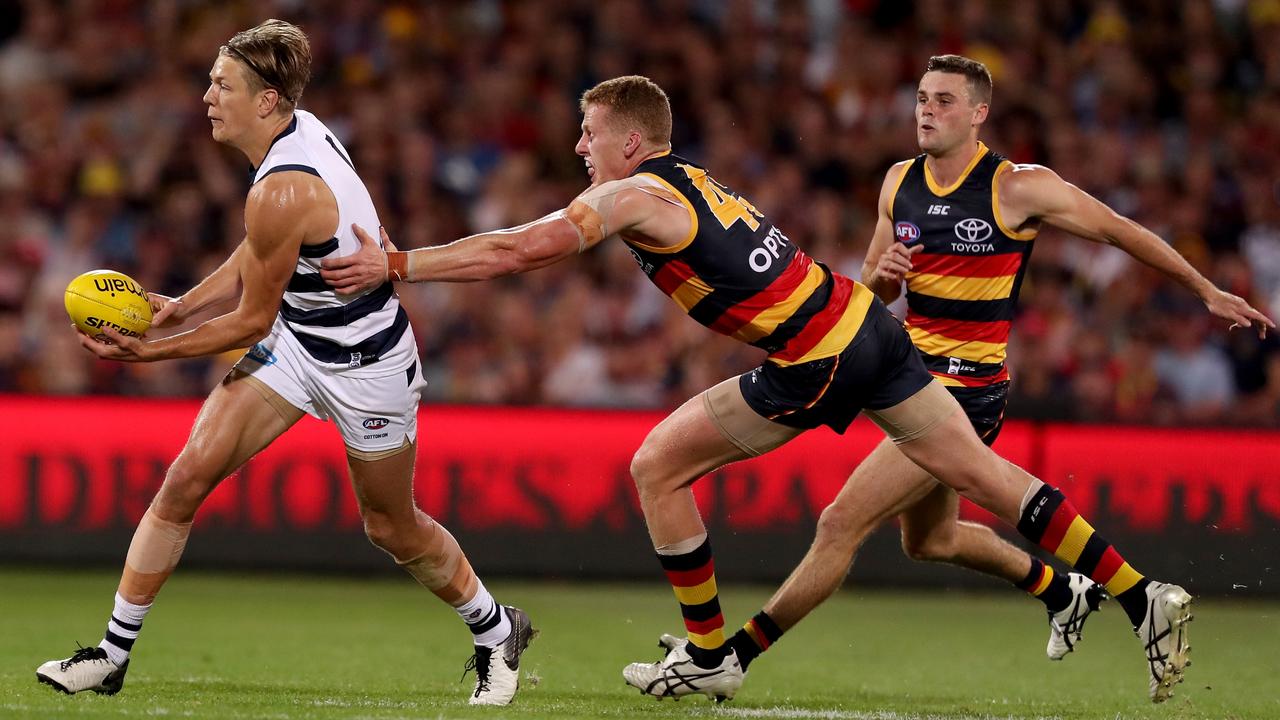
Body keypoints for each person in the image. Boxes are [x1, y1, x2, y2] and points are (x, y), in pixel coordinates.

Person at [319, 74, 1255, 704]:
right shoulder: (693, 179)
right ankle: (1140, 594)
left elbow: (522, 249)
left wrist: (400, 262)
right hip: (869, 324)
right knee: (978, 475)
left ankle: (709, 655)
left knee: (657, 467)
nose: (578, 147)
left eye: (589, 134)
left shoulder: (633, 193)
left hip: (816, 356)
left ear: (631, 140)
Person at [646, 55, 1274, 704]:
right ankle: (1066, 591)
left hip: (968, 391)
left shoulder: (1016, 187)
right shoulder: (898, 183)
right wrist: (886, 276)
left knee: (840, 523)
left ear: (979, 114)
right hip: (909, 382)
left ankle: (731, 656)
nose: (927, 110)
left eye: (945, 100)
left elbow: (1117, 231)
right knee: (930, 540)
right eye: (922, 98)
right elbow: (867, 289)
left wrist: (1203, 288)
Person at [35, 20, 533, 706]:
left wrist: (148, 350)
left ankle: (494, 626)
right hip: (300, 345)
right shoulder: (294, 144)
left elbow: (249, 319)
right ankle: (113, 654)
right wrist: (181, 305)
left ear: (267, 99)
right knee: (185, 479)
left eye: (223, 84)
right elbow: (262, 250)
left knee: (390, 526)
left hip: (367, 365)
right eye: (211, 79)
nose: (208, 94)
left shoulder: (281, 186)